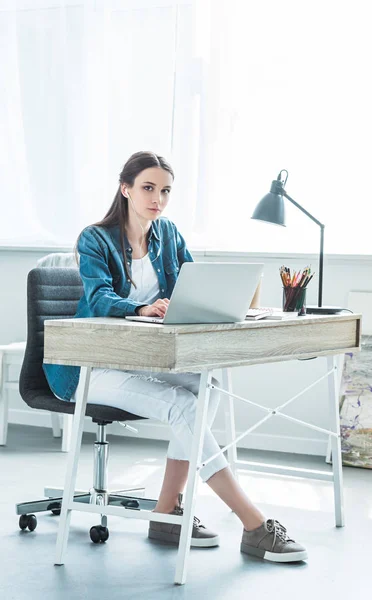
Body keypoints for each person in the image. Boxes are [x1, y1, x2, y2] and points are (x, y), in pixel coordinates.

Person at [43, 150, 307, 563]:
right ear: (126, 188)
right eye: (148, 188)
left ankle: (166, 513)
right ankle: (253, 524)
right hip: (88, 365)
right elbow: (97, 299)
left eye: (165, 191)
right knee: (184, 403)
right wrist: (140, 307)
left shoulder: (168, 234)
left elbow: (194, 285)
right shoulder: (94, 238)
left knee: (207, 387)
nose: (158, 199)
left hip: (139, 357)